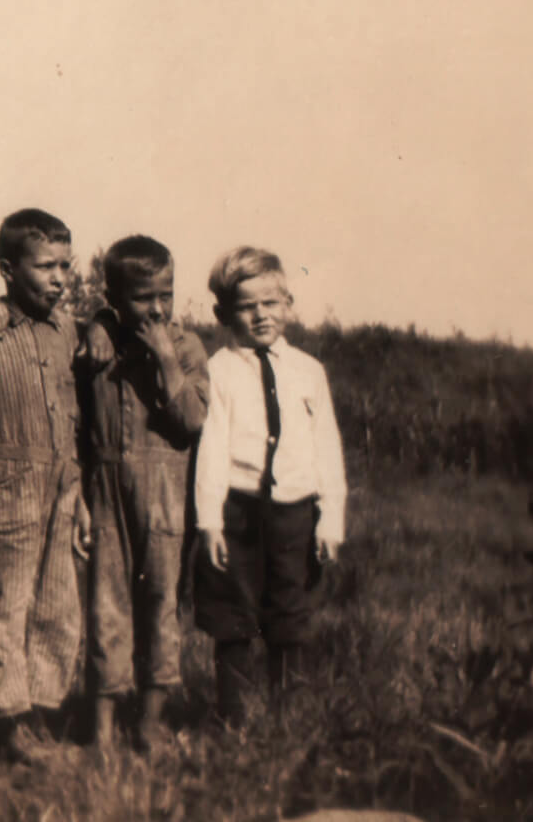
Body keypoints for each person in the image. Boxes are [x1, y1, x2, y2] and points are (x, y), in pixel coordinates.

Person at [192, 246, 347, 726]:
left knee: (291, 614)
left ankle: (289, 718)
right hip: (237, 509)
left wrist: (331, 520)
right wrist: (210, 522)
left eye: (270, 303)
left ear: (289, 303)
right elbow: (211, 449)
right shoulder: (218, 370)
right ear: (223, 313)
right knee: (233, 615)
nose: (260, 315)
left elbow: (327, 449)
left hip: (295, 513)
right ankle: (232, 720)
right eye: (246, 306)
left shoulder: (308, 371)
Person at [0, 208, 91, 766]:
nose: (60, 277)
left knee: (55, 609)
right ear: (9, 270)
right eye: (45, 266)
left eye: (66, 265)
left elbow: (74, 419)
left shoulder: (67, 331)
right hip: (3, 486)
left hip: (61, 485)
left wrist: (79, 495)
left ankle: (28, 721)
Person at [77, 235, 211, 752]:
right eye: (142, 298)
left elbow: (193, 422)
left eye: (166, 295)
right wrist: (98, 324)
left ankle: (151, 722)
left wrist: (166, 362)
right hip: (106, 488)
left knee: (160, 606)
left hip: (165, 492)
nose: (156, 308)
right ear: (113, 297)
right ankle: (103, 728)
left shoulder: (187, 346)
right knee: (106, 608)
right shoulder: (98, 342)